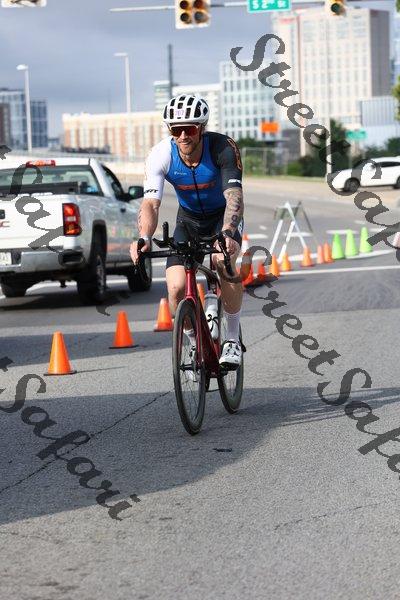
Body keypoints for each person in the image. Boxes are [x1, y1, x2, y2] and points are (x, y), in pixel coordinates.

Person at [130, 94, 244, 369]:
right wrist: (144, 237)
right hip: (188, 221)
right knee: (176, 287)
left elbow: (234, 196)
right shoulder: (161, 154)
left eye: (189, 129)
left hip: (221, 218)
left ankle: (231, 339)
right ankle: (193, 342)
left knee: (223, 262)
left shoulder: (222, 148)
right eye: (176, 129)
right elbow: (150, 204)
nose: (183, 136)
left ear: (201, 128)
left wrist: (228, 232)